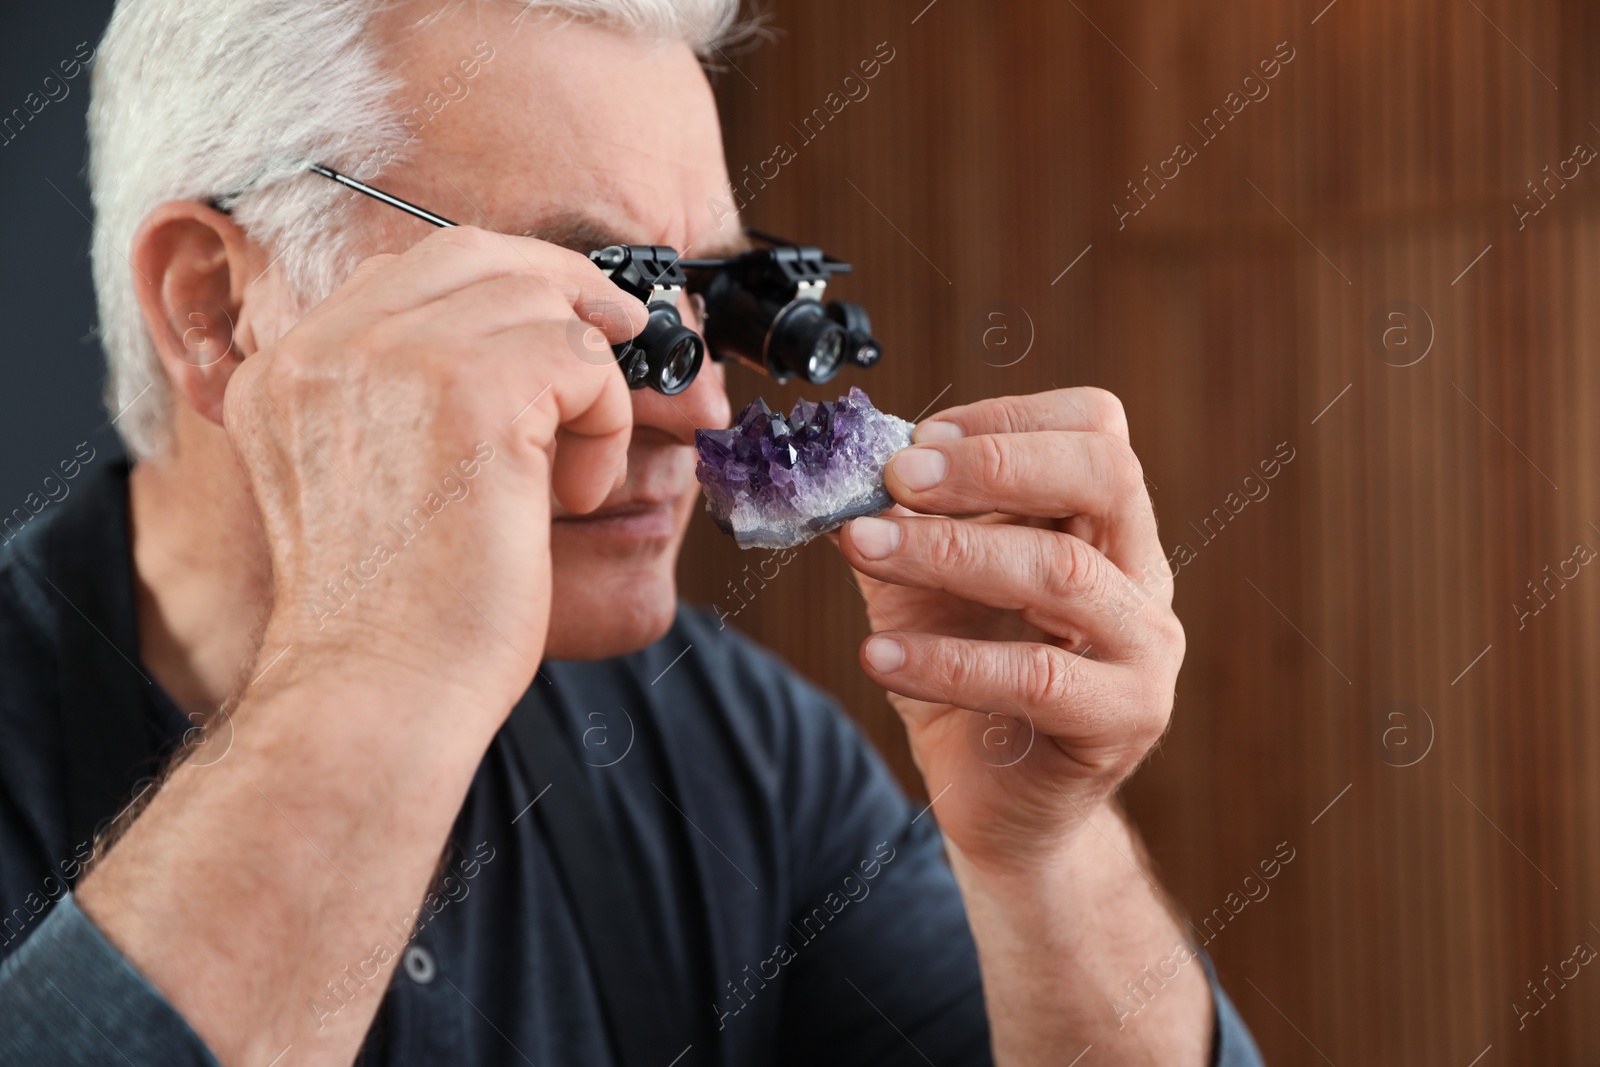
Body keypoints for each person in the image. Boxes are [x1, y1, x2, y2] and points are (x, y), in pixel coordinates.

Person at [0, 1, 1263, 1064]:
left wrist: (1043, 861)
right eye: (594, 300)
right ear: (219, 308)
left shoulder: (735, 755)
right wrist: (375, 680)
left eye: (707, 300)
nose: (702, 399)